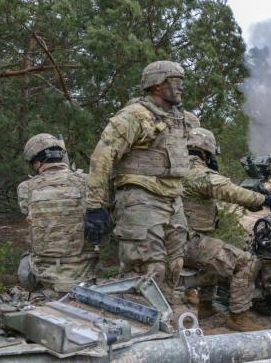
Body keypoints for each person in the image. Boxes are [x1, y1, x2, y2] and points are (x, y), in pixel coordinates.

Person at [84, 60, 196, 302]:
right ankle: (133, 323)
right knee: (147, 270)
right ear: (157, 85)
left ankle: (161, 322)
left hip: (173, 200)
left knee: (174, 264)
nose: (181, 88)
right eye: (176, 82)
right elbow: (102, 157)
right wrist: (95, 206)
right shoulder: (133, 117)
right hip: (140, 200)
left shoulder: (181, 119)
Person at [182, 127, 271, 331]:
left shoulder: (173, 169)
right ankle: (238, 317)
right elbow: (229, 191)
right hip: (185, 242)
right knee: (245, 263)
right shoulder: (197, 173)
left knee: (216, 255)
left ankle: (206, 307)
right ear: (205, 151)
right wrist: (265, 199)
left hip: (171, 238)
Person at [17, 133, 98, 294]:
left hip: (43, 276)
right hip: (82, 275)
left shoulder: (25, 188)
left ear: (37, 163)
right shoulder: (87, 182)